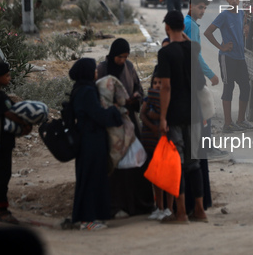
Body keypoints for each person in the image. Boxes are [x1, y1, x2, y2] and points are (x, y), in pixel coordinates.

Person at [158, 10, 207, 224]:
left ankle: (180, 213)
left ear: (167, 27)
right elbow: (200, 82)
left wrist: (162, 118)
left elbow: (166, 87)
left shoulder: (166, 54)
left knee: (177, 164)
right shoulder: (192, 49)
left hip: (176, 114)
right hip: (194, 113)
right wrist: (187, 43)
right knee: (193, 163)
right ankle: (199, 210)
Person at [97, 39, 152, 218]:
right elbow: (100, 94)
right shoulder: (103, 69)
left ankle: (137, 205)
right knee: (116, 166)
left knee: (135, 164)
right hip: (112, 125)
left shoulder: (129, 67)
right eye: (120, 57)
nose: (122, 60)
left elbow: (138, 88)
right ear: (113, 55)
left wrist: (135, 98)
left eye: (126, 57)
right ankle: (115, 206)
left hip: (130, 122)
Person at [69, 58, 123, 231]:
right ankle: (88, 220)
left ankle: (87, 217)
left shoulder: (80, 89)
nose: (96, 72)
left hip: (88, 138)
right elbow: (98, 115)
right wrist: (114, 110)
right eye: (93, 69)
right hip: (91, 140)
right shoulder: (86, 91)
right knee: (92, 178)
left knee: (89, 177)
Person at [204, 0, 253, 133]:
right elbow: (208, 32)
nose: (234, 1)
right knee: (229, 88)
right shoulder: (224, 16)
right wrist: (221, 46)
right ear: (227, 0)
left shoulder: (241, 14)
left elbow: (242, 29)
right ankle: (228, 123)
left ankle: (241, 120)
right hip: (227, 57)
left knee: (245, 87)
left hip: (240, 57)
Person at [185, 0, 228, 162]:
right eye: (200, 7)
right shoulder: (192, 26)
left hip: (187, 74)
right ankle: (206, 148)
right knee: (206, 110)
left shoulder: (187, 23)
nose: (202, 11)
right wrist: (211, 74)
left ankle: (202, 146)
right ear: (191, 6)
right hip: (193, 75)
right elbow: (196, 55)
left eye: (204, 8)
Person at [0, 62, 30, 225]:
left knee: (0, 174)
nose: (9, 78)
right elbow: (9, 113)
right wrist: (24, 123)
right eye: (7, 76)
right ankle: (2, 210)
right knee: (3, 174)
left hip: (0, 140)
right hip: (2, 141)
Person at [139, 73, 174, 221]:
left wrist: (158, 118)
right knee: (156, 178)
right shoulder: (149, 100)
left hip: (165, 144)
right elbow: (142, 114)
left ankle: (169, 208)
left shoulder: (169, 101)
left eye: (160, 83)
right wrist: (153, 127)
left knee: (167, 177)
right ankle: (159, 207)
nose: (158, 86)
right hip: (151, 143)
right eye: (155, 83)